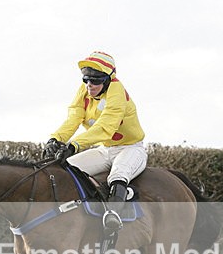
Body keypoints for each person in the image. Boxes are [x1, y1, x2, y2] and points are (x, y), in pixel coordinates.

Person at [44, 50, 147, 233]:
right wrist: (55, 138)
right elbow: (73, 118)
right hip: (105, 150)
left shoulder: (117, 92)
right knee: (64, 168)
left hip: (130, 149)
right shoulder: (85, 91)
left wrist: (74, 145)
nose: (89, 85)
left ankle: (113, 215)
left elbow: (105, 127)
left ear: (107, 80)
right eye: (86, 80)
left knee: (118, 173)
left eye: (96, 80)